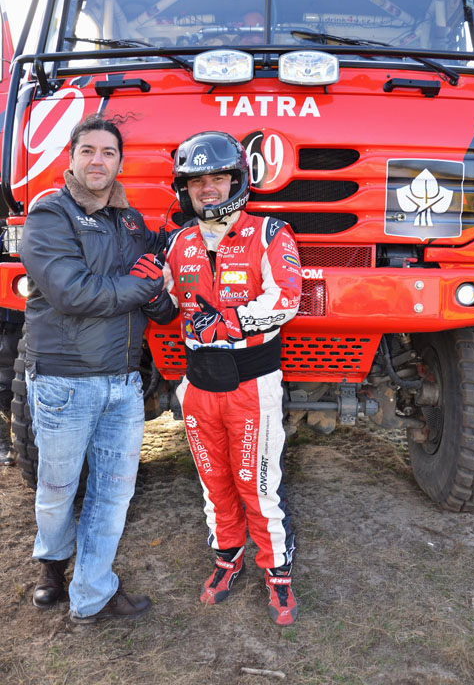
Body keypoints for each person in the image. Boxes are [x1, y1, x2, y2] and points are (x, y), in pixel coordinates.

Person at [19, 114, 175, 624]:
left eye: (108, 152)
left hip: (123, 383)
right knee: (57, 490)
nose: (97, 160)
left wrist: (160, 289)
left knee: (113, 494)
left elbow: (159, 294)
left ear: (119, 163)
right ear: (71, 158)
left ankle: (92, 593)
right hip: (64, 382)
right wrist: (144, 286)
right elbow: (73, 293)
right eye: (88, 150)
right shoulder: (50, 215)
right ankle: (52, 565)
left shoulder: (130, 223)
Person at [165, 131, 302, 625]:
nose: (207, 189)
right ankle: (227, 557)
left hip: (252, 384)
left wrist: (229, 322)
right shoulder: (178, 241)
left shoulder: (270, 232)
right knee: (214, 482)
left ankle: (277, 571)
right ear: (185, 188)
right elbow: (164, 303)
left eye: (217, 178)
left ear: (237, 180)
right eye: (196, 181)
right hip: (197, 386)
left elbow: (287, 298)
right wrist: (147, 290)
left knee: (256, 484)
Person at [0, 307, 24, 465]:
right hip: (4, 322)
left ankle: (28, 445)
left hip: (31, 320)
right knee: (3, 384)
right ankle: (3, 443)